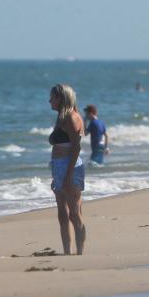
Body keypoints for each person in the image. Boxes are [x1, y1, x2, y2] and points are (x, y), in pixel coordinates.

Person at [49, 84, 86, 255]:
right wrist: (56, 175)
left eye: (53, 97)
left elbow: (76, 148)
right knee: (62, 214)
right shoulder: (61, 117)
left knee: (74, 213)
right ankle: (67, 251)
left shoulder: (72, 117)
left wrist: (68, 174)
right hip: (59, 167)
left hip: (70, 166)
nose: (50, 100)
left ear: (62, 98)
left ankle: (80, 252)